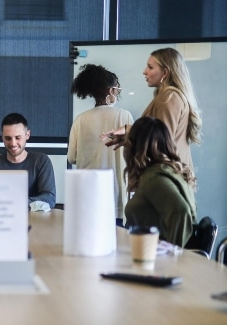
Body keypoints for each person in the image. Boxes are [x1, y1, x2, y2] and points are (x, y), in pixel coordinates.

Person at [105, 47, 202, 172]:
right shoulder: (169, 97)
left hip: (166, 178)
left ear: (165, 73)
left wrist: (130, 132)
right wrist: (129, 136)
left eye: (150, 67)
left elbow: (162, 141)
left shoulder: (169, 98)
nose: (144, 71)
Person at [68, 64, 133, 224]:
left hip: (88, 195)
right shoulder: (124, 117)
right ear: (111, 90)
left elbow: (71, 158)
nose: (118, 93)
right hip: (116, 197)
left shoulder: (80, 119)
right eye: (117, 89)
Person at [123, 116, 197, 247]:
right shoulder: (167, 172)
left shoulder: (154, 178)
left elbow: (181, 211)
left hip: (155, 259)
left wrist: (172, 254)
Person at [0, 113, 56, 209]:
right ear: (2, 136)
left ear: (27, 135)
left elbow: (49, 199)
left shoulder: (41, 161)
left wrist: (13, 203)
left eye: (18, 138)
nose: (13, 143)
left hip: (36, 221)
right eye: (8, 138)